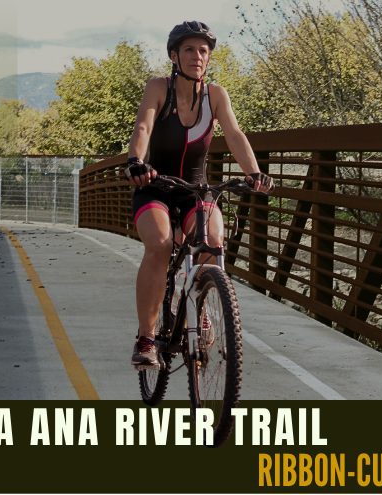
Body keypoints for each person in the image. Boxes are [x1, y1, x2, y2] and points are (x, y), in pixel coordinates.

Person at [124, 21, 272, 367]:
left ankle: (200, 308)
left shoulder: (216, 95)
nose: (197, 56)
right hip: (156, 187)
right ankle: (146, 338)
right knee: (160, 245)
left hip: (196, 189)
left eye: (203, 50)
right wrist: (135, 162)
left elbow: (234, 134)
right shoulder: (159, 87)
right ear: (174, 55)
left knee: (213, 242)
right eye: (189, 49)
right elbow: (143, 126)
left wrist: (254, 173)